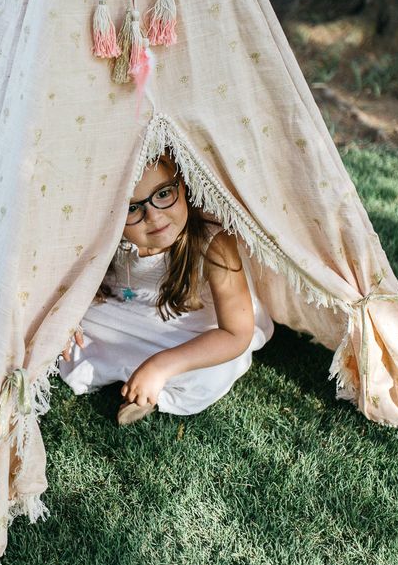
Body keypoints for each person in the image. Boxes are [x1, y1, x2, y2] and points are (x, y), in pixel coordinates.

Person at [57, 153, 274, 425]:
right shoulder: (108, 238)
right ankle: (140, 379)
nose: (154, 216)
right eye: (133, 208)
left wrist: (161, 366)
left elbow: (235, 332)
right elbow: (69, 280)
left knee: (218, 369)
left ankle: (152, 384)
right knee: (64, 331)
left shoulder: (214, 242)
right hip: (125, 312)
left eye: (162, 194)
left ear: (181, 185)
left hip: (194, 325)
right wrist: (66, 319)